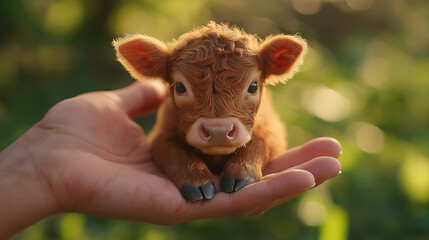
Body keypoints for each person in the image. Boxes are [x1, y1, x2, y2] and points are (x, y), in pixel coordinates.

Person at [0, 81, 342, 239]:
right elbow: (161, 141)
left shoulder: (263, 114)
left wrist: (252, 156)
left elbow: (271, 137)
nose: (220, 120)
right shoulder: (167, 116)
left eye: (251, 87)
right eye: (180, 89)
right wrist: (39, 168)